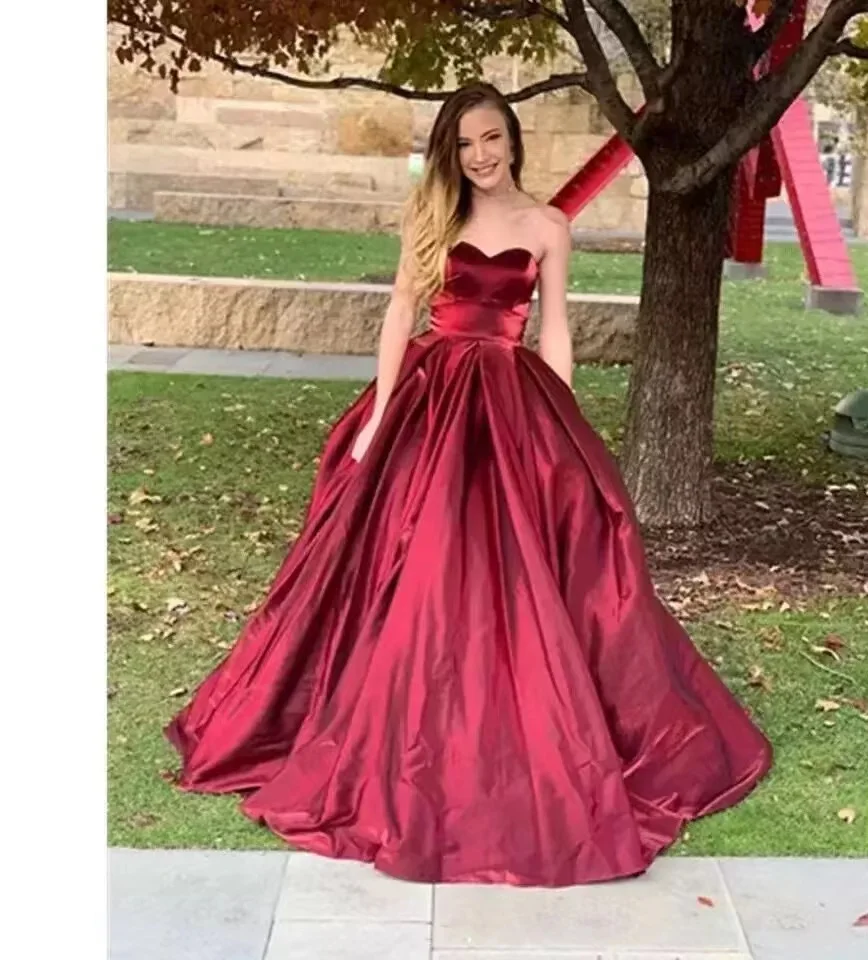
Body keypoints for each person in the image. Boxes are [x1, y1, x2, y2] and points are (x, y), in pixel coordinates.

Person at [165, 81, 772, 888]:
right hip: (431, 399)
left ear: (513, 139)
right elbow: (400, 311)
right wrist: (381, 415)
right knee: (408, 557)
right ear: (450, 153)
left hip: (513, 401)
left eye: (491, 139)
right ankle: (394, 719)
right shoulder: (436, 217)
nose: (480, 155)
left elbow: (554, 329)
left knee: (524, 564)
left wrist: (563, 429)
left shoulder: (548, 226)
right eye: (465, 144)